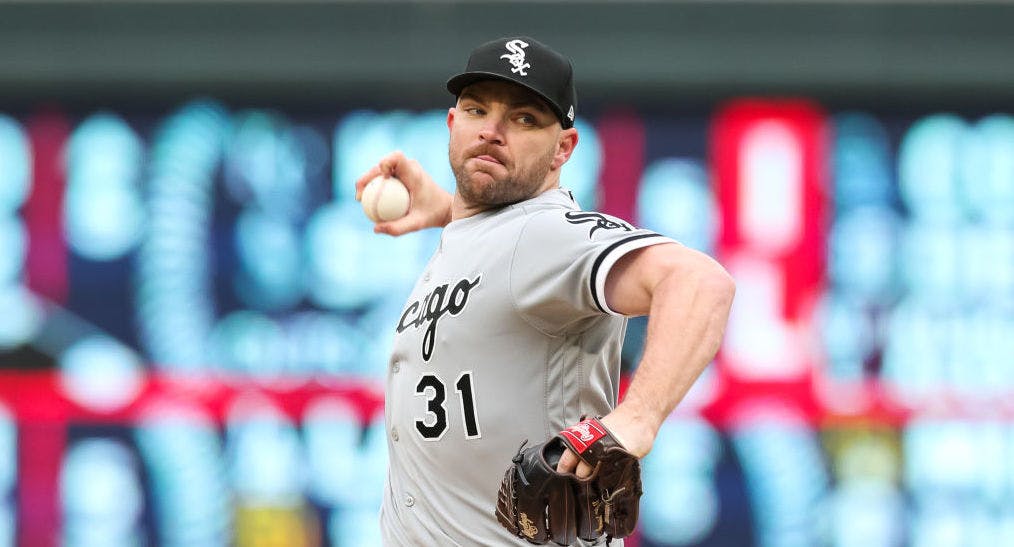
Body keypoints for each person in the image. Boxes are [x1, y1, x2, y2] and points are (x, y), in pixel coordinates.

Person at [355, 36, 735, 546]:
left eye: (524, 119)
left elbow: (701, 282)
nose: (491, 131)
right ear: (451, 123)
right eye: (476, 110)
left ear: (563, 148)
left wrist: (636, 420)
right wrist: (450, 211)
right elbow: (504, 259)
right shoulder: (493, 238)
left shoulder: (545, 234)